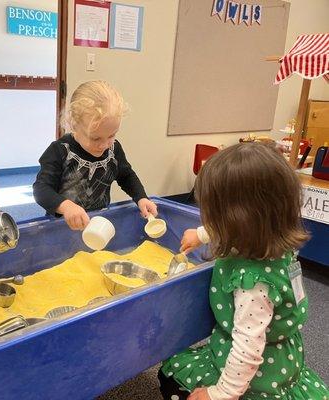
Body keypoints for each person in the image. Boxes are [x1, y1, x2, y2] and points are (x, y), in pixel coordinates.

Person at [160, 143, 328, 400]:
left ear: (238, 220)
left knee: (170, 379)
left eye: (212, 215)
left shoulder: (253, 285)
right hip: (283, 358)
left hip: (256, 379)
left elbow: (246, 349)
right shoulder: (271, 238)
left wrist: (220, 393)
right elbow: (238, 226)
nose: (207, 218)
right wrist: (202, 234)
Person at [33, 80, 157, 230]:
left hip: (99, 224)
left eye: (112, 135)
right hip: (62, 226)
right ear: (74, 124)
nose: (104, 145)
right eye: (95, 138)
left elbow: (126, 176)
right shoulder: (59, 150)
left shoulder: (114, 149)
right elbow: (41, 189)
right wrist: (66, 207)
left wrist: (141, 197)